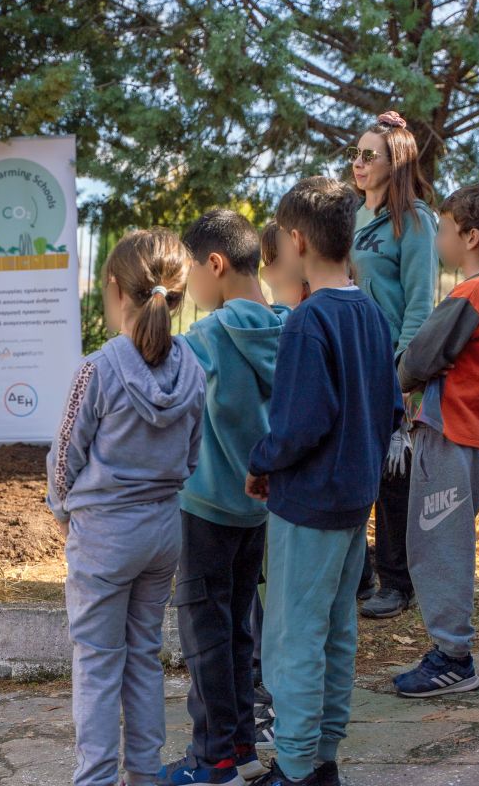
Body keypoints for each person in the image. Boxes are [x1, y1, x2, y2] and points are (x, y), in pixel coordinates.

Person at [245, 177, 403, 786]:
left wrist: (262, 462)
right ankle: (322, 758)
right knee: (337, 632)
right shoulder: (372, 314)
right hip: (354, 503)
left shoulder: (308, 320)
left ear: (296, 240)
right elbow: (391, 409)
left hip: (308, 505)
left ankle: (292, 766)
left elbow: (298, 425)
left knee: (293, 638)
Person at [48, 228, 205, 786]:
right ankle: (143, 773)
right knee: (143, 655)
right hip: (162, 532)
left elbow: (65, 455)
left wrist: (62, 509)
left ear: (115, 289)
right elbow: (192, 455)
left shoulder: (97, 369)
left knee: (96, 661)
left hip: (105, 536)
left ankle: (94, 778)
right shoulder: (193, 369)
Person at [155, 210, 289, 786]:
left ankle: (212, 763)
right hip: (256, 508)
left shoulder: (210, 335)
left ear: (215, 264)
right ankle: (241, 748)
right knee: (237, 628)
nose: (189, 286)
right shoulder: (287, 326)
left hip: (206, 506)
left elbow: (155, 379)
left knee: (204, 634)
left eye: (191, 272)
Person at [392, 185, 479, 698]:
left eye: (444, 229)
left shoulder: (470, 293)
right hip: (468, 438)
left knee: (437, 546)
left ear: (470, 237)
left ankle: (453, 657)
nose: (438, 238)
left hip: (449, 435)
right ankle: (450, 650)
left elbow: (421, 356)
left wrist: (396, 379)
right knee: (444, 543)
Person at [349, 110, 439, 620]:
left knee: (392, 475)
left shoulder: (416, 221)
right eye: (356, 154)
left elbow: (420, 305)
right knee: (352, 466)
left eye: (369, 155)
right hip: (351, 359)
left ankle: (397, 583)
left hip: (389, 365)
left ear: (396, 162)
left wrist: (403, 375)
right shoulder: (354, 216)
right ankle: (358, 575)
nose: (358, 163)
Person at [250, 221, 310, 754]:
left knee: (281, 613)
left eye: (271, 261)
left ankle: (276, 712)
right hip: (285, 486)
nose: (266, 272)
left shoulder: (297, 325)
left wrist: (263, 461)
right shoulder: (286, 321)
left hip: (280, 486)